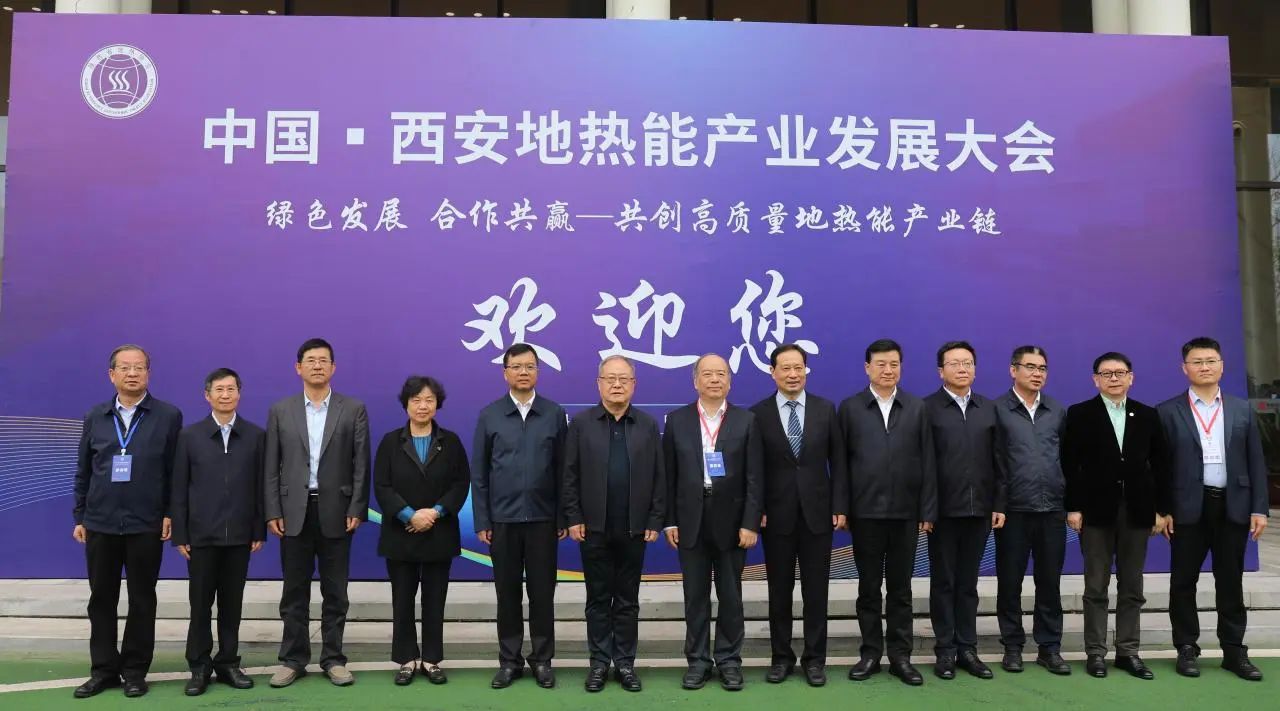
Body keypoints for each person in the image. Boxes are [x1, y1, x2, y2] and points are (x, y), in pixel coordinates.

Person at [71, 344, 183, 699]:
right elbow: (84, 470)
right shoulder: (96, 416)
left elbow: (174, 472)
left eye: (139, 367)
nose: (132, 373)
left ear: (148, 373)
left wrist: (170, 513)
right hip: (100, 522)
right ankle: (103, 670)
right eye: (124, 367)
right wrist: (80, 515)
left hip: (145, 523)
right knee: (101, 599)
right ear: (112, 374)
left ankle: (135, 671)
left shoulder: (168, 416)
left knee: (142, 599)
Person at [1157, 336, 1268, 681]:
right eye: (1197, 362)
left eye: (1211, 361)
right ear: (1184, 368)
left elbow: (1255, 460)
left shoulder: (1241, 409)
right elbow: (1159, 468)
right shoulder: (1167, 411)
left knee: (1231, 581)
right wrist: (1163, 510)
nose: (1204, 367)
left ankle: (1233, 651)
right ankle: (1186, 648)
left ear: (1221, 365)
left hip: (1233, 506)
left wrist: (1259, 508)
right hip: (1186, 508)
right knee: (1183, 582)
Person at [264, 338, 370, 688]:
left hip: (337, 511)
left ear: (333, 367)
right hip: (293, 511)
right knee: (294, 591)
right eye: (311, 360)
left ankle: (333, 658)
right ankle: (293, 659)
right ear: (298, 368)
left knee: (335, 591)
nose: (317, 366)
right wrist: (272, 509)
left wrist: (356, 506)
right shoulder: (281, 410)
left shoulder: (352, 409)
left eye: (324, 360)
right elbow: (271, 465)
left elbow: (360, 464)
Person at [562, 355, 665, 693]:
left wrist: (655, 518)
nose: (617, 385)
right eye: (610, 379)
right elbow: (569, 475)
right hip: (593, 528)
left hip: (634, 528)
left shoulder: (647, 425)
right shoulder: (581, 424)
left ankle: (625, 664)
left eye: (624, 379)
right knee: (597, 599)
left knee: (627, 600)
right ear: (599, 384)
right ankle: (598, 663)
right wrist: (574, 517)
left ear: (634, 384)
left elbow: (660, 477)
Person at [663, 353, 763, 692]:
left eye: (721, 374)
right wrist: (669, 521)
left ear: (730, 382)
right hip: (690, 519)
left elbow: (755, 478)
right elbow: (668, 476)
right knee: (695, 596)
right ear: (696, 381)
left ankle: (729, 661)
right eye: (707, 374)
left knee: (731, 596)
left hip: (732, 522)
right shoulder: (677, 421)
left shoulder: (746, 421)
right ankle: (698, 662)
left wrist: (750, 523)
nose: (715, 380)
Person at [839, 339, 936, 687]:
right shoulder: (850, 408)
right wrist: (842, 508)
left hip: (905, 514)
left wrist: (927, 509)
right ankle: (870, 654)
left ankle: (900, 657)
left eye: (894, 364)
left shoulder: (916, 407)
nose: (888, 370)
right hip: (865, 514)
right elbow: (841, 464)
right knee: (868, 589)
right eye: (880, 364)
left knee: (900, 589)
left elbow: (928, 460)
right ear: (867, 367)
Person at [471, 343, 568, 689]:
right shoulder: (490, 415)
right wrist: (483, 520)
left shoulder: (553, 413)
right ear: (505, 373)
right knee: (507, 594)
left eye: (529, 366)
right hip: (503, 522)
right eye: (516, 366)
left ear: (537, 371)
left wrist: (561, 517)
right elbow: (479, 474)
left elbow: (563, 470)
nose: (523, 372)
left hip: (543, 521)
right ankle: (509, 661)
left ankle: (542, 660)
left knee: (542, 594)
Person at [750, 343, 847, 687]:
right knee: (779, 592)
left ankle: (815, 660)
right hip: (775, 517)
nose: (792, 374)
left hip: (818, 515)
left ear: (805, 370)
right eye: (785, 368)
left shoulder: (825, 409)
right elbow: (754, 469)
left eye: (798, 368)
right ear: (773, 372)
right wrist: (757, 510)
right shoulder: (758, 414)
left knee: (816, 593)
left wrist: (839, 506)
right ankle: (781, 658)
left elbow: (839, 462)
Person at [1063, 352, 1165, 680]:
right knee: (1096, 585)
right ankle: (1095, 652)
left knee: (1132, 585)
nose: (1114, 378)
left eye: (1120, 373)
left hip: (1137, 510)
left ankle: (1128, 651)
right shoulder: (1080, 414)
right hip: (1095, 511)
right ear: (1096, 379)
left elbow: (1161, 465)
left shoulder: (1147, 415)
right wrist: (1073, 507)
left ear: (1131, 377)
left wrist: (1160, 510)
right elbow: (1070, 465)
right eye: (1106, 373)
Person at [171, 368, 265, 696]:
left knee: (231, 604)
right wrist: (181, 534)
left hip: (240, 536)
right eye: (219, 390)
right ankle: (199, 666)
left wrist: (258, 528)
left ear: (240, 393)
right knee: (200, 605)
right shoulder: (190, 436)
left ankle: (228, 663)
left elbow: (261, 486)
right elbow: (179, 488)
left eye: (231, 389)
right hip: (201, 537)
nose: (225, 395)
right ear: (207, 395)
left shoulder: (255, 436)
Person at [373, 376, 470, 686]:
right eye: (416, 400)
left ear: (437, 404)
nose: (423, 406)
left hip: (438, 533)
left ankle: (431, 659)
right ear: (406, 404)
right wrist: (409, 515)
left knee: (434, 600)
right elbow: (382, 486)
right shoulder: (390, 442)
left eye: (429, 400)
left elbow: (460, 484)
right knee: (402, 600)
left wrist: (435, 513)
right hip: (401, 534)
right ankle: (406, 659)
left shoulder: (451, 442)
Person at [924, 341, 1003, 681]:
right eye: (954, 363)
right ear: (940, 371)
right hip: (942, 512)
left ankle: (967, 648)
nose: (962, 368)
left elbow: (999, 460)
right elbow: (923, 464)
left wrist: (998, 504)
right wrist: (927, 510)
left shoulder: (988, 408)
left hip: (980, 510)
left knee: (968, 583)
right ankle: (945, 650)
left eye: (968, 363)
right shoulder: (926, 408)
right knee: (944, 581)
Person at [993, 345, 1070, 675]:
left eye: (1042, 368)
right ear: (1014, 370)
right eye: (1030, 367)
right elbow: (994, 462)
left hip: (1052, 509)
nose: (1037, 373)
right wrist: (998, 504)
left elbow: (1066, 458)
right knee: (1010, 582)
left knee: (1049, 582)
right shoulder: (997, 410)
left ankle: (1049, 647)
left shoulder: (1057, 410)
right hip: (1013, 511)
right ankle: (1012, 646)